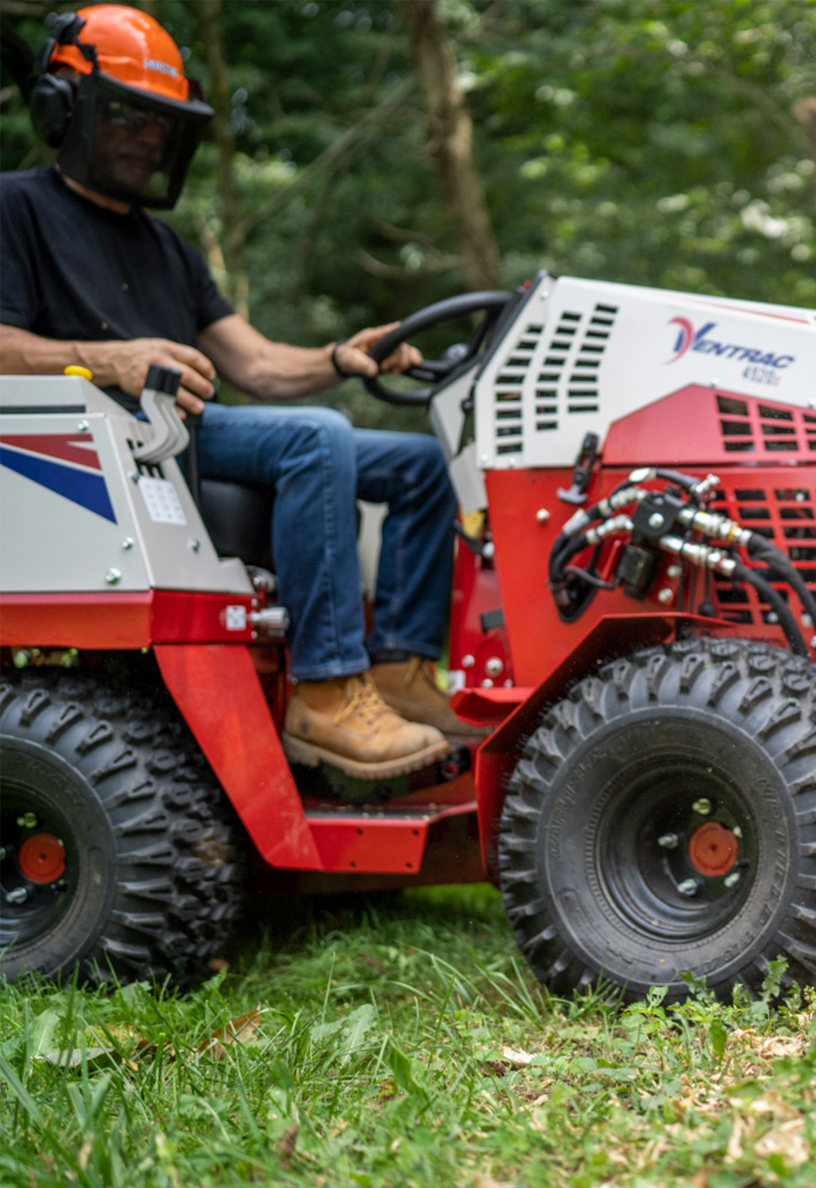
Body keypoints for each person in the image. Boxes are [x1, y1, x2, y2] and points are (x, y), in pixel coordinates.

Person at [0, 4, 482, 779]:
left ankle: (397, 672)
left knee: (419, 465)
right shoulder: (15, 209)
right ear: (62, 109)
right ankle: (325, 692)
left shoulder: (169, 248)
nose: (147, 137)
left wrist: (338, 356)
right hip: (110, 442)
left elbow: (255, 364)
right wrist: (109, 360)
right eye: (127, 116)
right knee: (313, 437)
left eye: (160, 124)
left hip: (185, 431)